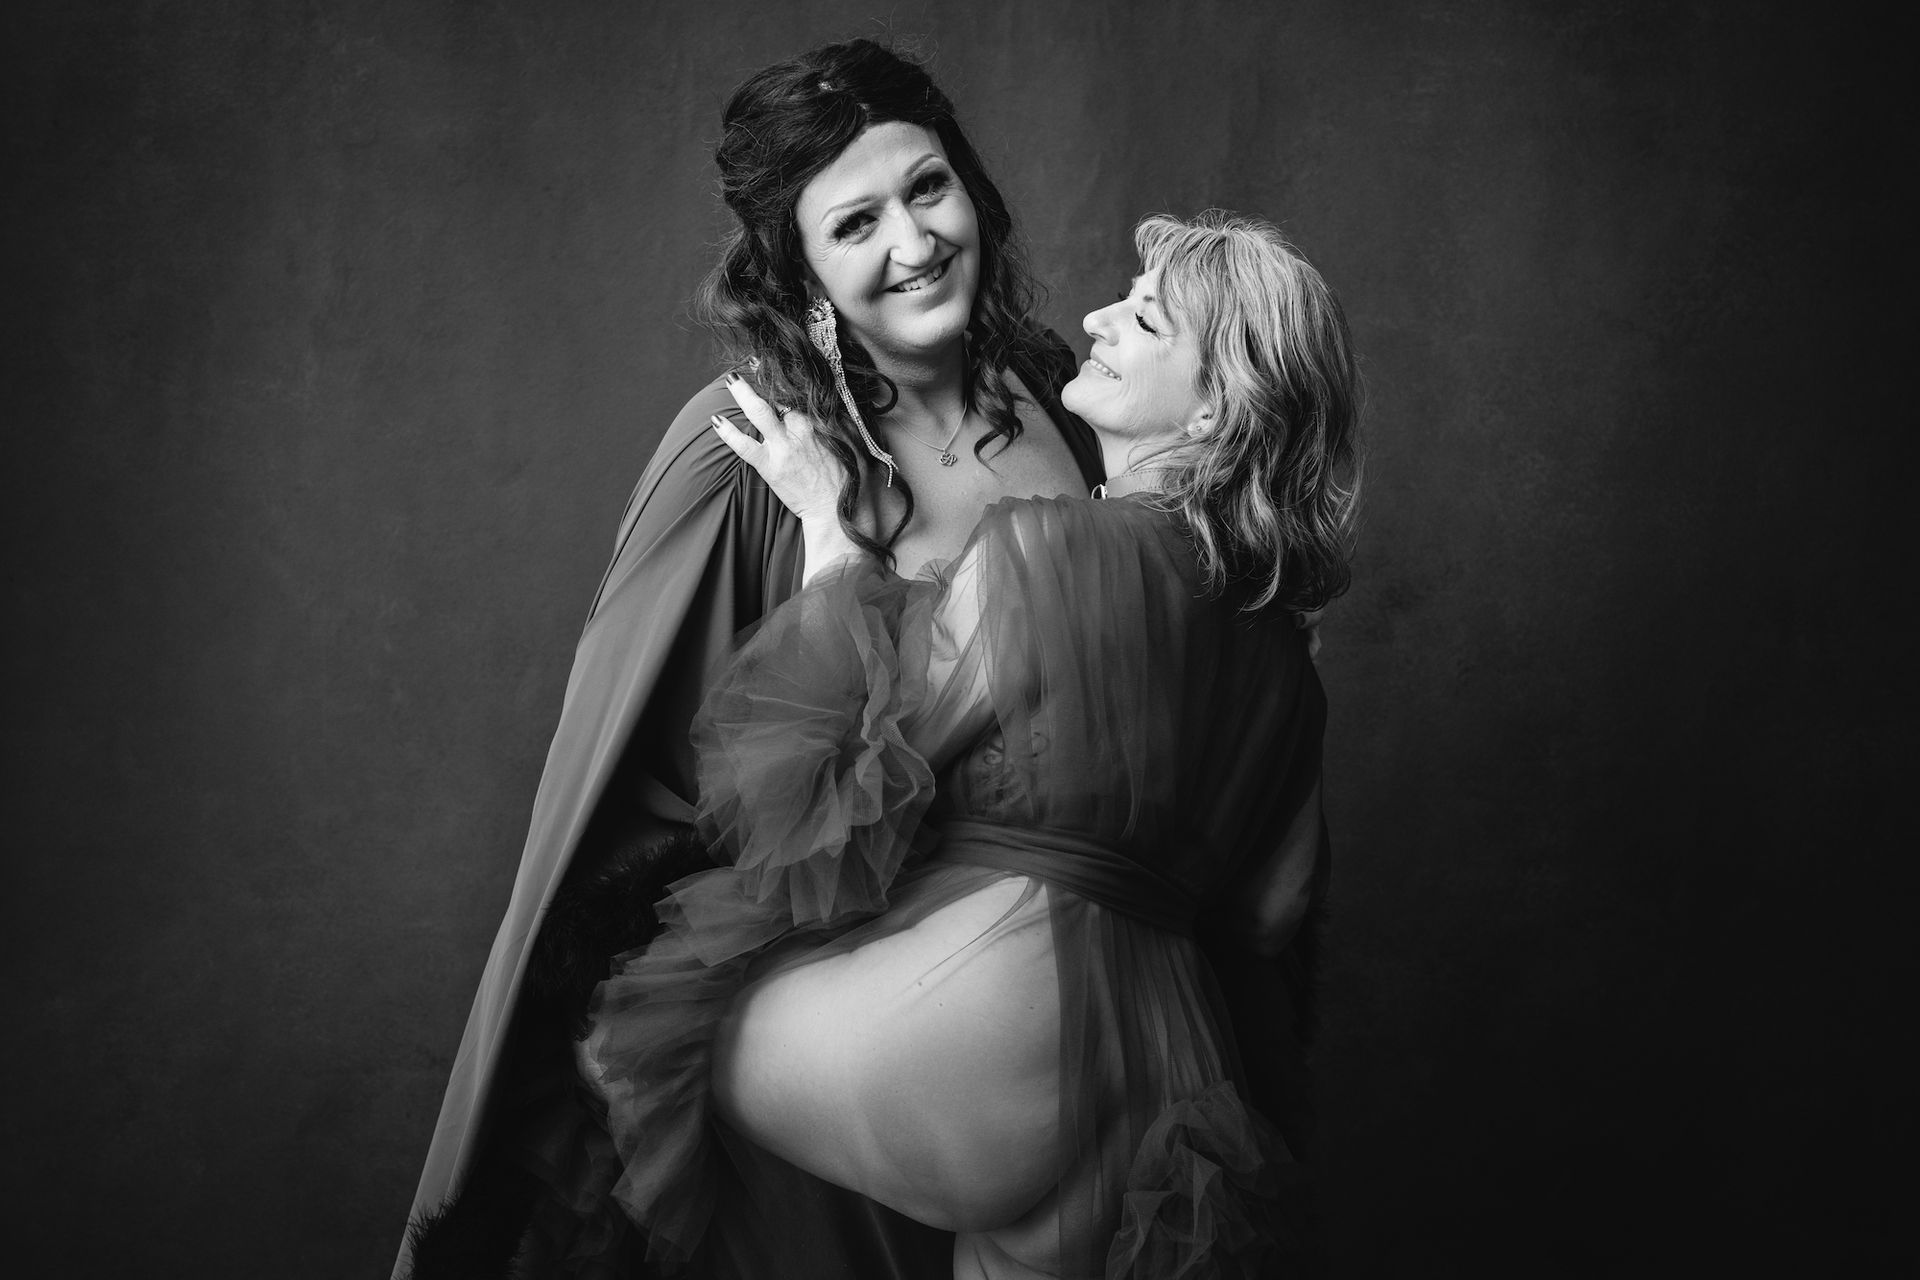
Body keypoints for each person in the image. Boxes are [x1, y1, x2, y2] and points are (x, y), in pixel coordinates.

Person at [397, 39, 1105, 1278]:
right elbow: (651, 778)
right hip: (843, 1003)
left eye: (928, 188)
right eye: (858, 223)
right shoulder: (744, 455)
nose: (917, 242)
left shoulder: (1058, 392)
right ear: (802, 272)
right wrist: (837, 541)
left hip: (1053, 994)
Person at [583, 209, 1360, 1278]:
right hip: (1165, 1095)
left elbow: (841, 779)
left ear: (1221, 398)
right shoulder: (1289, 660)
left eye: (1143, 317)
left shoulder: (1048, 548)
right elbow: (1273, 912)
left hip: (976, 1030)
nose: (1098, 315)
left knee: (654, 1040)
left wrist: (826, 531)